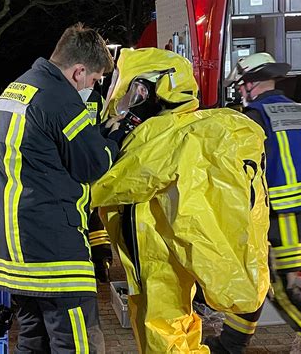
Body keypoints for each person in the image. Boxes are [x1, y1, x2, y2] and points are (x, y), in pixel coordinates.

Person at [90, 47, 270, 353]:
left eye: (131, 91)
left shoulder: (164, 135)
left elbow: (107, 185)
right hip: (158, 251)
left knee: (165, 333)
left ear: (149, 90)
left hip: (158, 256)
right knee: (174, 327)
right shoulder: (191, 127)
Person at [0, 23, 123, 353]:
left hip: (14, 254)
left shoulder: (17, 89)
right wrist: (118, 133)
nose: (93, 88)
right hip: (54, 255)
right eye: (94, 80)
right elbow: (94, 164)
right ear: (79, 71)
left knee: (33, 342)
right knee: (76, 343)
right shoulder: (60, 99)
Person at [225, 52, 301, 345]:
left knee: (285, 287)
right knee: (259, 276)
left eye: (239, 86)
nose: (238, 92)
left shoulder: (253, 120)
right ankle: (231, 341)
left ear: (251, 84)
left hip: (286, 213)